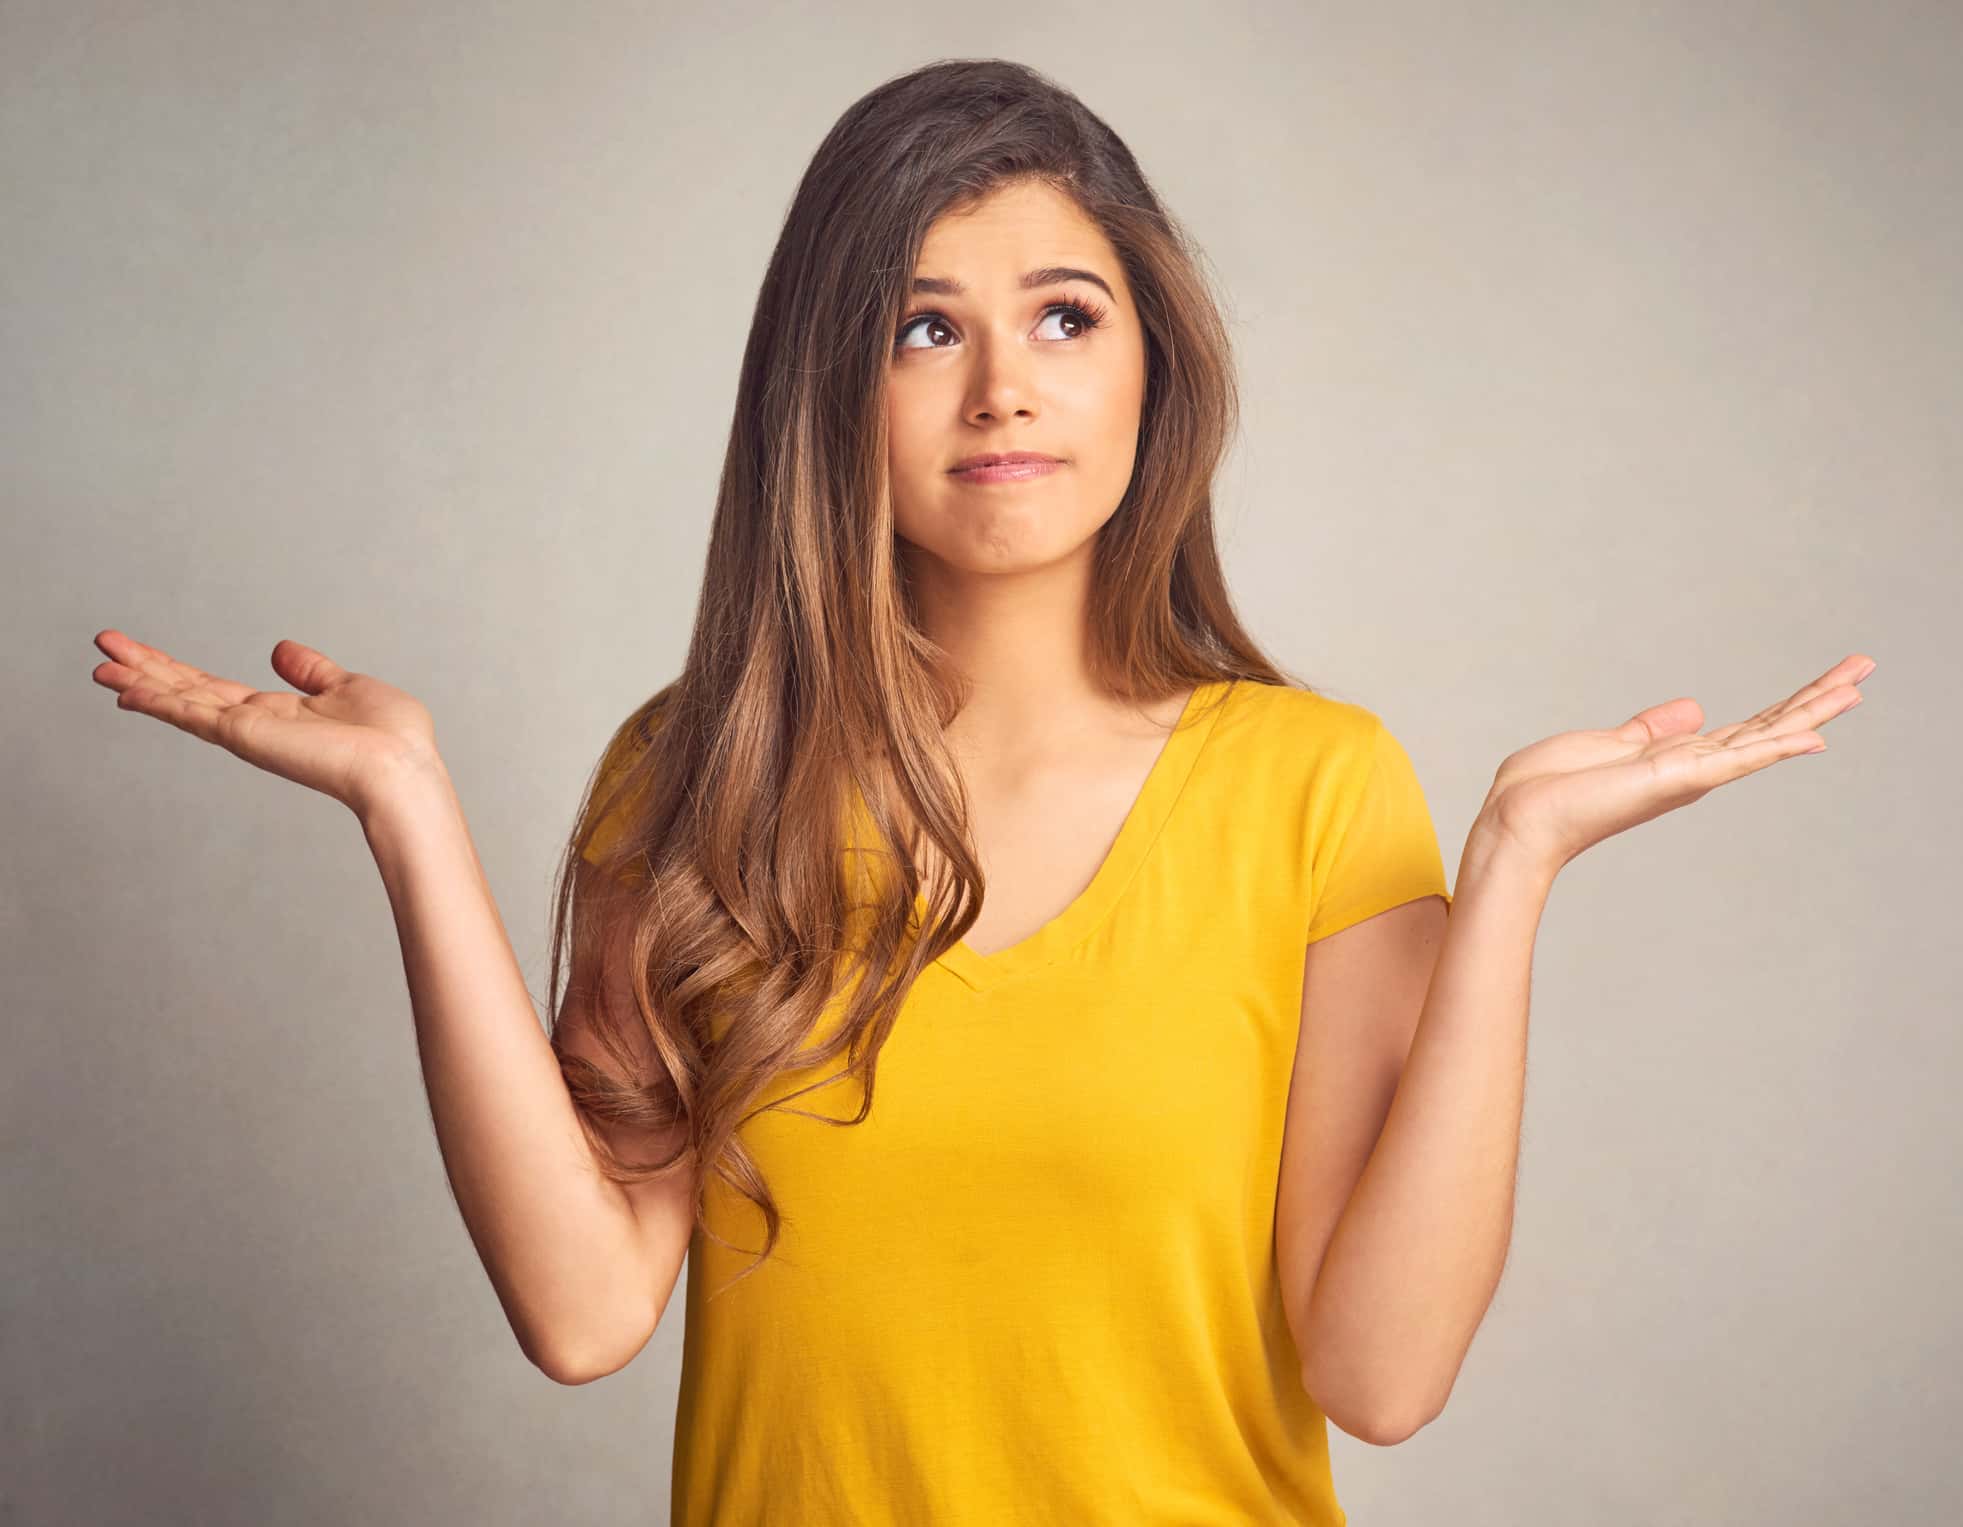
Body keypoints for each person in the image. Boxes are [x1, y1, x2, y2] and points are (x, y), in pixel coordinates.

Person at [90, 56, 1871, 1527]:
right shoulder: (698, 771)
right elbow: (581, 1308)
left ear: (1150, 360)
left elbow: (1382, 1379)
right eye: (925, 330)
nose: (1005, 386)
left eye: (1064, 316)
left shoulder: (1315, 787)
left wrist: (1514, 876)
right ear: (832, 388)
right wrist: (410, 811)